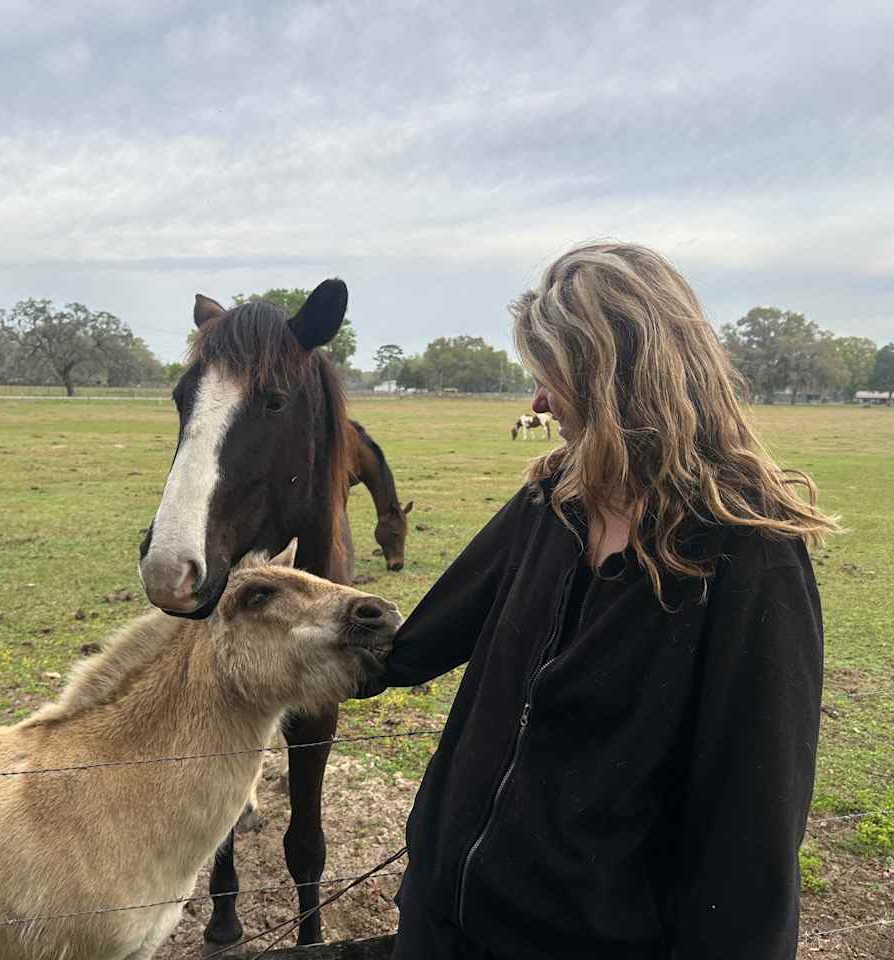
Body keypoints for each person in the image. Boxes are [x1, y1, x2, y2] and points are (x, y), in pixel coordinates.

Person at [357, 242, 839, 959]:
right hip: (442, 919)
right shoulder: (551, 500)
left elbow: (754, 828)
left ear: (617, 377)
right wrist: (287, 645)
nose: (539, 403)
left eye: (552, 377)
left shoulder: (748, 553)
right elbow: (419, 641)